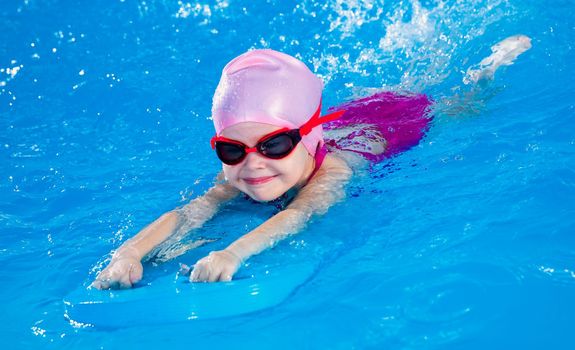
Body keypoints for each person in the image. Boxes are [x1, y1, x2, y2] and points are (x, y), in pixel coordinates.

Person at [92, 35, 531, 289]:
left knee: (461, 106)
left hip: (401, 119)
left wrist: (233, 252)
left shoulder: (332, 173)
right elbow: (188, 214)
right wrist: (128, 255)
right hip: (336, 119)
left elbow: (300, 214)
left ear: (305, 139)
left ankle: (490, 70)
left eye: (275, 145)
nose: (252, 164)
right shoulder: (243, 171)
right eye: (231, 149)